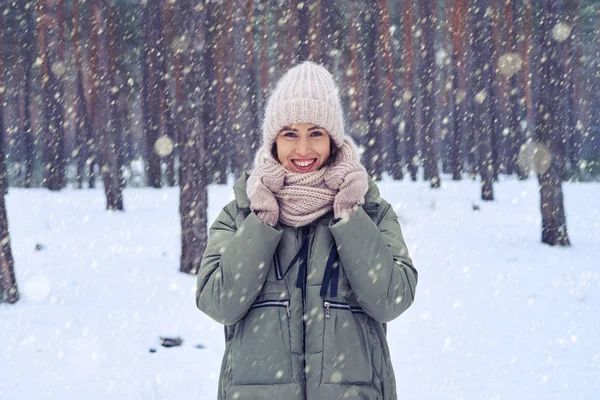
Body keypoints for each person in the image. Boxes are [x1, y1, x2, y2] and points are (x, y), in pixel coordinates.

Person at [196, 61, 418, 400]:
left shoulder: (369, 210)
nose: (303, 150)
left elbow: (392, 299)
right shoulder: (241, 213)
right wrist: (262, 222)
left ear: (333, 139)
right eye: (290, 134)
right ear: (273, 141)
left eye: (316, 133)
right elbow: (217, 302)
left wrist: (349, 217)